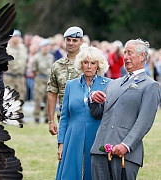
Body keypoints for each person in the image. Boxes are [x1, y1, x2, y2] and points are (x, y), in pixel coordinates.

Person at [89, 39, 161, 180]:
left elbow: (144, 122)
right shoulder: (113, 84)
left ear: (142, 56)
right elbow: (97, 114)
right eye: (125, 53)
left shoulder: (150, 86)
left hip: (124, 155)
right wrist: (93, 99)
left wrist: (126, 145)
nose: (125, 57)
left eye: (130, 53)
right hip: (100, 150)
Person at [55, 46, 110, 180]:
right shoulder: (71, 85)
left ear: (99, 65)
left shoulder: (108, 84)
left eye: (93, 63)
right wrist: (61, 143)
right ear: (80, 64)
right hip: (73, 137)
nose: (89, 66)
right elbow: (64, 117)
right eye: (85, 62)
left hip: (97, 136)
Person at [47, 26, 84, 135]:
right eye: (68, 40)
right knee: (63, 150)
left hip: (84, 116)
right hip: (64, 116)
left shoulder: (88, 62)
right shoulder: (57, 65)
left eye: (75, 40)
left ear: (81, 42)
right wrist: (51, 120)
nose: (71, 43)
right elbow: (52, 93)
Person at [31, 39, 54, 123]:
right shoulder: (36, 57)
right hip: (39, 80)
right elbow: (33, 70)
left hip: (48, 80)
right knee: (38, 99)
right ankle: (36, 117)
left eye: (47, 46)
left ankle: (47, 117)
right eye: (44, 46)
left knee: (48, 99)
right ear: (41, 47)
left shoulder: (51, 57)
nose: (46, 48)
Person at [4, 29, 28, 101]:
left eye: (18, 36)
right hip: (9, 77)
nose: (17, 38)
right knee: (8, 97)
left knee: (21, 97)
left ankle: (19, 112)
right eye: (15, 36)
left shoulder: (23, 48)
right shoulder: (6, 49)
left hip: (20, 77)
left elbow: (25, 61)